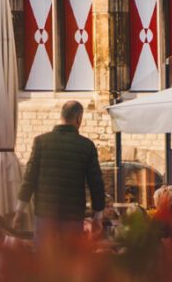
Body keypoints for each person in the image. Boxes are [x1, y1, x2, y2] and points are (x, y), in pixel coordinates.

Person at [18, 100, 107, 252]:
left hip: (45, 214)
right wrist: (98, 215)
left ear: (61, 116)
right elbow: (96, 183)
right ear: (79, 119)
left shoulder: (40, 142)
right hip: (72, 217)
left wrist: (19, 210)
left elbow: (29, 177)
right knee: (69, 262)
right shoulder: (86, 146)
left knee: (44, 261)